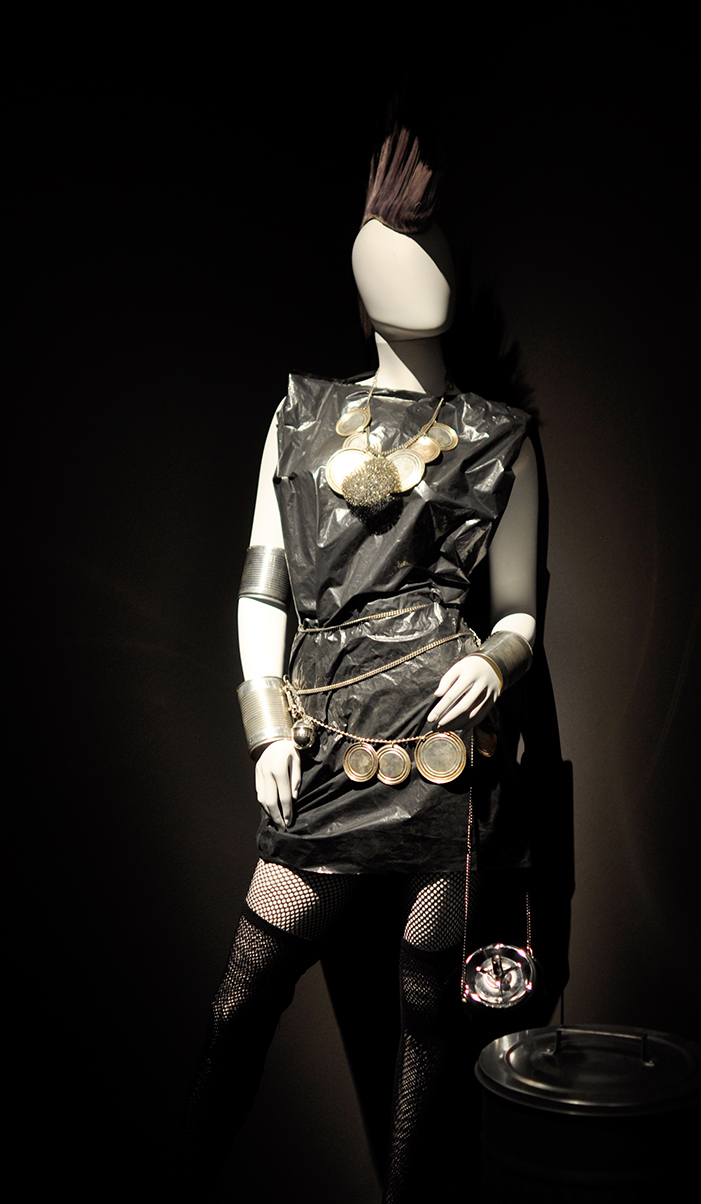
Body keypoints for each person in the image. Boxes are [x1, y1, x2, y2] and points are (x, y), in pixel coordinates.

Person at [183, 129, 552, 1202]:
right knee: (241, 997)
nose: (415, 271)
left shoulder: (498, 436)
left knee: (429, 1014)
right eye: (390, 252)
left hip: (444, 751)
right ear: (358, 285)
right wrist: (265, 726)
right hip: (328, 743)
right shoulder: (301, 414)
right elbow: (261, 586)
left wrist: (499, 659)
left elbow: (519, 609)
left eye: (428, 248)